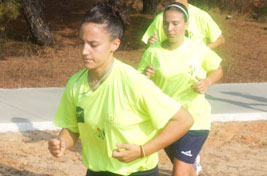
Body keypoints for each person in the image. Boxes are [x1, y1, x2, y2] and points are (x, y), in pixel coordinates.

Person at [48, 1, 194, 176]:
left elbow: (184, 120)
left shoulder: (133, 82)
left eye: (93, 45)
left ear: (114, 44)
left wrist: (142, 150)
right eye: (82, 43)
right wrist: (62, 142)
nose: (84, 51)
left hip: (137, 172)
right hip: (96, 171)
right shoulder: (75, 84)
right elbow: (72, 128)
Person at [137, 2, 223, 176]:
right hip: (166, 121)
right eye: (166, 23)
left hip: (195, 121)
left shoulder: (198, 49)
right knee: (187, 169)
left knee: (179, 172)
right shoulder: (153, 52)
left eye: (175, 23)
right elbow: (137, 83)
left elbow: (218, 69)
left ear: (186, 24)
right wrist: (145, 76)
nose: (170, 28)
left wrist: (207, 82)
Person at [142, 0, 225, 49]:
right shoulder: (161, 18)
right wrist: (151, 44)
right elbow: (151, 46)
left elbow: (220, 39)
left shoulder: (201, 15)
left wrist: (202, 50)